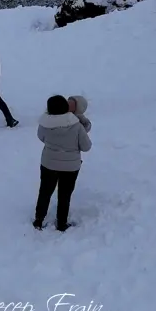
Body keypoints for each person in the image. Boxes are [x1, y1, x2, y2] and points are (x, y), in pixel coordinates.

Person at [34, 95, 92, 232]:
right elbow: (86, 146)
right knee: (65, 195)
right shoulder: (77, 126)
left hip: (48, 164)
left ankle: (38, 220)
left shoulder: (44, 123)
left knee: (45, 192)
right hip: (70, 167)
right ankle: (61, 223)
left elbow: (40, 137)